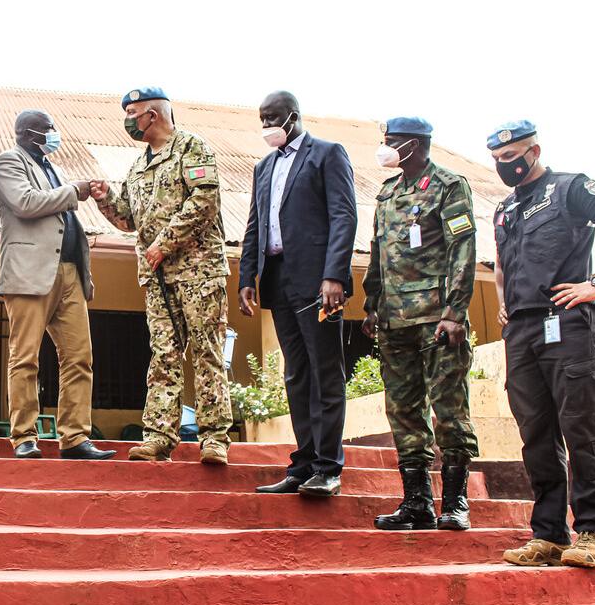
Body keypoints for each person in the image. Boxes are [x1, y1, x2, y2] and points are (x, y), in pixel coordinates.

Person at [490, 121, 595, 569]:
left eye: (511, 156)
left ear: (534, 151)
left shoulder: (570, 188)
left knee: (580, 428)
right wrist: (503, 303)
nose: (504, 165)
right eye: (497, 160)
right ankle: (549, 535)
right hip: (521, 334)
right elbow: (500, 264)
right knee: (536, 435)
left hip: (567, 324)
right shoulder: (504, 208)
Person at [89, 87, 232, 464]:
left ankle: (214, 439)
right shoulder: (137, 167)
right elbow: (128, 219)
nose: (127, 122)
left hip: (199, 272)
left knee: (207, 351)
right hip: (157, 280)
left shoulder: (192, 148)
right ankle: (158, 437)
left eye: (132, 113)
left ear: (152, 115)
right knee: (164, 355)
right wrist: (105, 199)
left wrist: (164, 244)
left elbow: (204, 200)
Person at [361, 117, 479, 530]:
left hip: (436, 317)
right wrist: (372, 304)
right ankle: (416, 503)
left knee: (449, 407)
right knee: (403, 410)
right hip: (394, 320)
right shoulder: (387, 193)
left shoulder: (448, 186)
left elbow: (463, 249)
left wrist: (455, 311)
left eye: (392, 141)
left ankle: (456, 503)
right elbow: (378, 253)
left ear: (414, 144)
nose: (386, 147)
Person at [239, 91, 357, 497]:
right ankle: (303, 464)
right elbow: (255, 225)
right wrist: (247, 277)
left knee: (325, 372)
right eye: (262, 118)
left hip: (318, 281)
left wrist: (334, 275)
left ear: (294, 116)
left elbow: (344, 215)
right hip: (277, 278)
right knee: (296, 374)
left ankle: (328, 467)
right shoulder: (263, 167)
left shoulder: (327, 154)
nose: (267, 125)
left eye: (273, 117)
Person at [0, 110, 115, 460]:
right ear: (26, 132)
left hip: (70, 272)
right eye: (47, 129)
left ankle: (75, 438)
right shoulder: (9, 162)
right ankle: (24, 436)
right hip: (29, 273)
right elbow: (25, 203)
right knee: (25, 358)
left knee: (79, 358)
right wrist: (73, 190)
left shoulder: (53, 167)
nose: (53, 134)